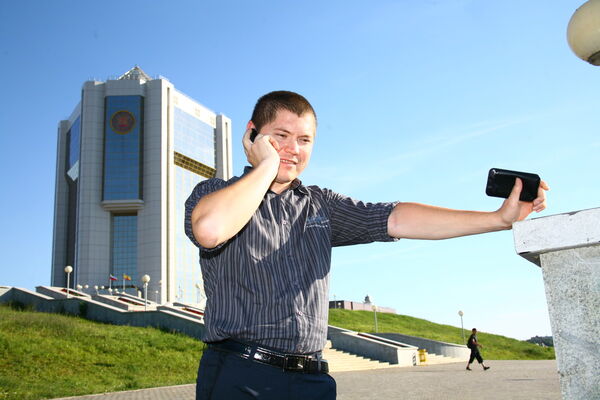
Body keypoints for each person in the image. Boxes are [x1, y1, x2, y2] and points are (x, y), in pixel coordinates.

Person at [185, 90, 548, 399]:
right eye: (281, 136)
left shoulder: (321, 204)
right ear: (253, 134)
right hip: (242, 374)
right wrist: (266, 167)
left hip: (312, 380)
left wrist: (497, 219)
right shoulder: (214, 193)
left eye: (305, 140)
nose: (293, 149)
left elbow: (396, 217)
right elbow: (210, 230)